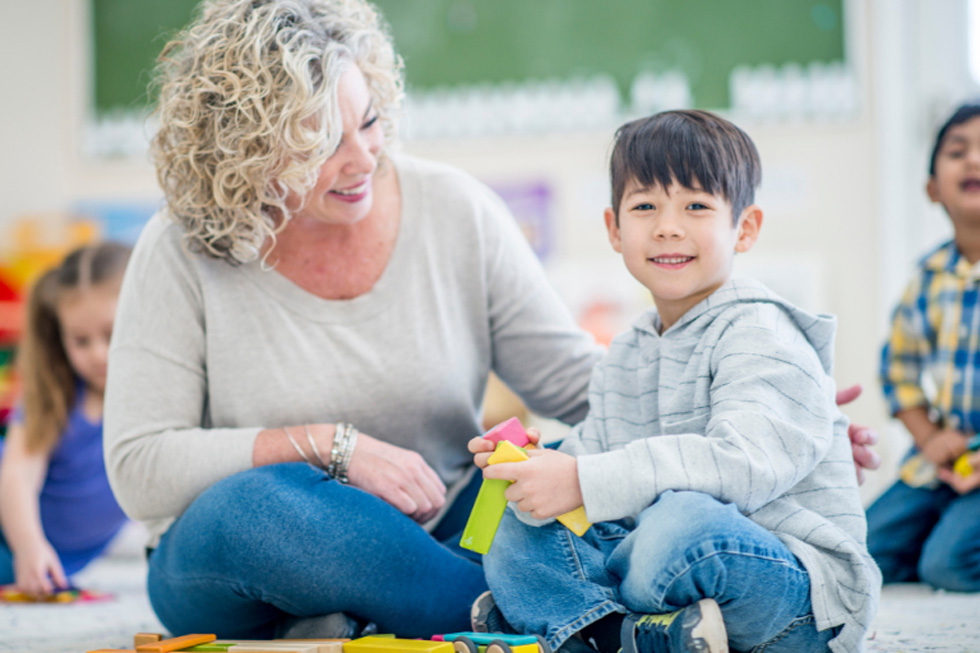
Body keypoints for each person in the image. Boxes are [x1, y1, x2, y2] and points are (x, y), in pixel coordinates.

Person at [104, 0, 880, 641]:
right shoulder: (180, 248)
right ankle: (560, 621)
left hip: (440, 521)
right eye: (319, 143)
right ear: (244, 152)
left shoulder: (452, 208)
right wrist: (332, 449)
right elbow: (140, 468)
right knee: (263, 505)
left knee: (539, 476)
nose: (361, 159)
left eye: (367, 123)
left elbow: (581, 381)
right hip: (242, 547)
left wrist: (759, 412)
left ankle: (472, 609)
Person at [470, 111, 881, 653]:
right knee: (517, 518)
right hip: (661, 572)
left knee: (679, 522)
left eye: (696, 206)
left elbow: (745, 465)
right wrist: (540, 466)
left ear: (746, 227)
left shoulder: (762, 329)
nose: (668, 226)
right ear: (615, 229)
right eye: (644, 206)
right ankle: (612, 635)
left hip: (790, 593)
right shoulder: (628, 349)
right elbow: (597, 455)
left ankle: (565, 619)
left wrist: (586, 478)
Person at [870, 102, 980, 592]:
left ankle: (944, 541)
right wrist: (930, 437)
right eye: (958, 152)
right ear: (932, 188)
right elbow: (898, 371)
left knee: (949, 566)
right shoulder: (929, 277)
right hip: (945, 459)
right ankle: (943, 528)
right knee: (862, 550)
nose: (974, 161)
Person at [0, 243, 131, 597]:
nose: (98, 354)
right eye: (80, 340)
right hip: (17, 536)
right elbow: (18, 474)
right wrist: (28, 544)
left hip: (57, 562)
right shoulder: (55, 392)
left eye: (111, 333)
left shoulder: (160, 399)